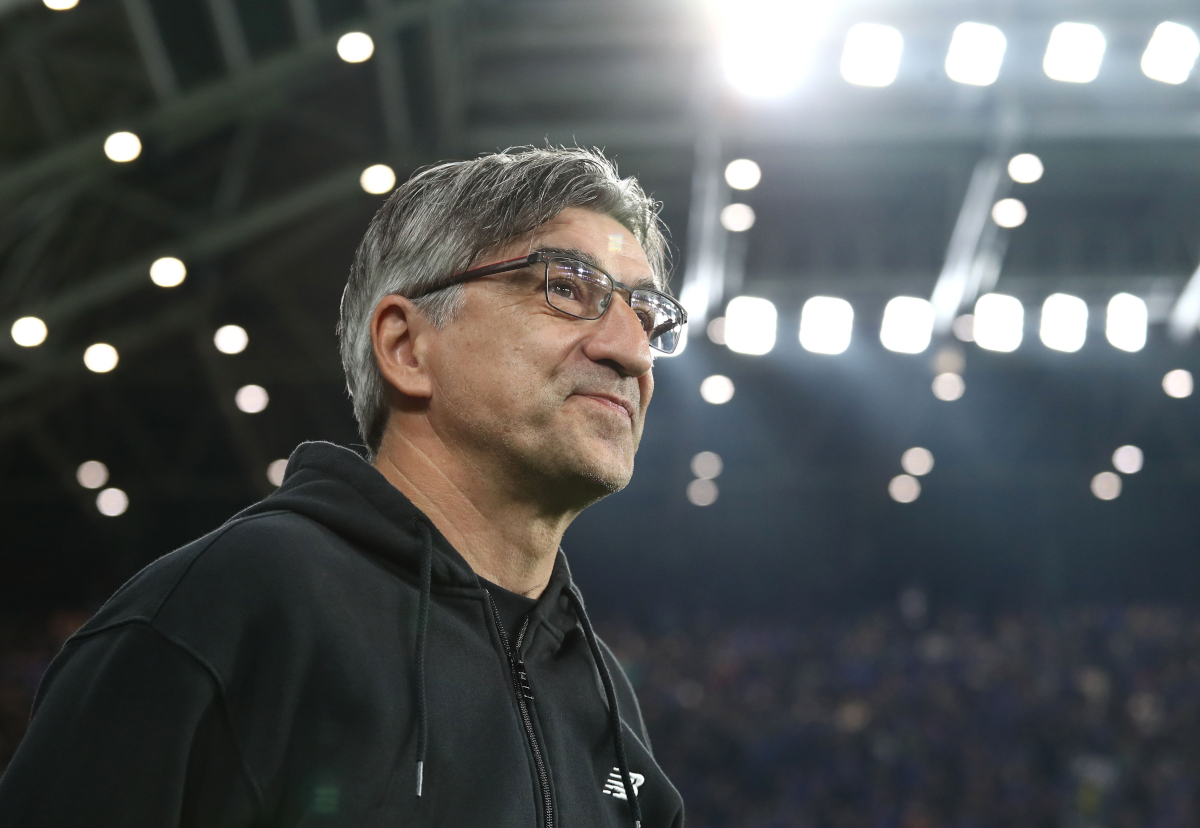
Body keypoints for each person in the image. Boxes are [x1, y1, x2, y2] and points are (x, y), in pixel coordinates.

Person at [0, 147, 687, 827]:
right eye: (567, 287)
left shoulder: (604, 703)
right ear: (406, 346)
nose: (632, 350)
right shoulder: (226, 610)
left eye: (649, 316)